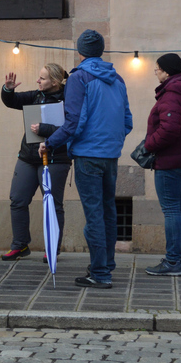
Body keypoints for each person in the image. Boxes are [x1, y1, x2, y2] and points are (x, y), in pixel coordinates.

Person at [39, 29, 132, 289]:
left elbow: (73, 123)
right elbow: (127, 121)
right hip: (110, 154)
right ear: (101, 51)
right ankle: (106, 264)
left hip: (88, 155)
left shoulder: (79, 77)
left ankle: (100, 272)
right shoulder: (118, 78)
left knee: (94, 214)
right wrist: (112, 141)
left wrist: (50, 142)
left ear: (80, 51)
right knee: (108, 210)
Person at [1, 64, 72, 262]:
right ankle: (20, 245)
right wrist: (8, 89)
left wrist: (45, 128)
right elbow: (12, 101)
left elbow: (72, 127)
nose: (37, 81)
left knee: (52, 204)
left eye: (42, 78)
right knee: (17, 199)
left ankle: (52, 248)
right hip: (28, 156)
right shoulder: (36, 95)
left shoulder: (69, 99)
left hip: (56, 158)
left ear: (55, 82)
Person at [143, 54, 181, 276]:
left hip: (172, 160)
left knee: (171, 210)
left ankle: (173, 262)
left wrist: (149, 145)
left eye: (157, 68)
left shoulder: (171, 94)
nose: (155, 72)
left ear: (167, 71)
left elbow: (169, 130)